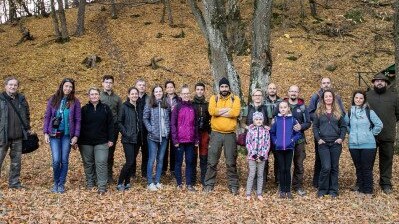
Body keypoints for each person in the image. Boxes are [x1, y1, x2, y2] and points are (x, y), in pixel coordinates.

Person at [43, 78, 81, 193]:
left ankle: (61, 183)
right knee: (56, 160)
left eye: (70, 87)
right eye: (66, 86)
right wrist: (45, 132)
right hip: (54, 134)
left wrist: (76, 136)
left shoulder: (75, 102)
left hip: (67, 135)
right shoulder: (53, 99)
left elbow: (78, 120)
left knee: (64, 160)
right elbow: (47, 116)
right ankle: (55, 182)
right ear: (62, 86)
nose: (68, 89)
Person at [204, 77, 241, 195]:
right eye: (222, 86)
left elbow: (235, 112)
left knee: (231, 161)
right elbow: (211, 111)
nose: (224, 89)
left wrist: (219, 111)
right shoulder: (214, 98)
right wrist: (227, 111)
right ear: (219, 88)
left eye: (226, 86)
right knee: (212, 161)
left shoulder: (235, 99)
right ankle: (209, 184)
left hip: (230, 135)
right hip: (216, 134)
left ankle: (233, 185)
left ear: (229, 87)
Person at [308, 77, 345, 188]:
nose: (326, 85)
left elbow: (342, 112)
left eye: (328, 83)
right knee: (320, 158)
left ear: (331, 84)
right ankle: (317, 182)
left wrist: (342, 132)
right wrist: (319, 119)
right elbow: (310, 112)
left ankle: (330, 184)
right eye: (324, 83)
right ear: (321, 84)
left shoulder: (336, 97)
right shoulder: (316, 96)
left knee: (332, 163)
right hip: (320, 133)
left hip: (334, 134)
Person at [345, 90, 383, 196]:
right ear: (353, 99)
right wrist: (351, 132)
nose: (358, 100)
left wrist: (370, 134)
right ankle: (361, 189)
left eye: (361, 98)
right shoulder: (350, 112)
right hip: (353, 145)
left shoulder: (369, 112)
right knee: (358, 167)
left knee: (366, 168)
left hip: (368, 145)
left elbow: (379, 124)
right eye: (356, 98)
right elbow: (345, 124)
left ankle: (368, 190)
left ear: (364, 100)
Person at [366, 73, 399, 194]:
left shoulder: (394, 97)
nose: (379, 82)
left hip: (387, 134)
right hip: (370, 135)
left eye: (382, 81)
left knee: (386, 160)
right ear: (373, 83)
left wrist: (389, 122)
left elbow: (397, 114)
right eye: (377, 81)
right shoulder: (367, 96)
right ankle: (364, 182)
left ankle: (385, 183)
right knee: (367, 160)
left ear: (386, 83)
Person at [79, 87, 114, 195]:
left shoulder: (105, 108)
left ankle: (102, 185)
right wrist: (77, 140)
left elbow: (111, 124)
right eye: (92, 94)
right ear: (89, 96)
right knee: (88, 163)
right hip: (85, 142)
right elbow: (78, 125)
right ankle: (90, 182)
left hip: (102, 141)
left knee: (101, 162)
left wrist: (111, 139)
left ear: (99, 95)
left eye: (96, 94)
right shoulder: (84, 109)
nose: (94, 96)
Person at [312, 89, 346, 198]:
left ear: (333, 98)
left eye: (330, 96)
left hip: (336, 143)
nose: (328, 98)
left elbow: (343, 126)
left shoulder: (338, 112)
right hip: (323, 144)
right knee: (326, 167)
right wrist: (318, 139)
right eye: (326, 96)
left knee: (334, 167)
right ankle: (322, 190)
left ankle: (333, 191)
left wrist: (341, 138)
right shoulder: (318, 112)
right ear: (323, 99)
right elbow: (315, 127)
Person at [0, 77, 31, 189]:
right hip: (3, 137)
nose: (13, 87)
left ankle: (14, 183)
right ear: (5, 86)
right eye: (10, 85)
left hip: (18, 137)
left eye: (15, 85)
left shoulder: (21, 99)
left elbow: (27, 115)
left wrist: (27, 127)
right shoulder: (1, 99)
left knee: (16, 162)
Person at [270, 101, 302, 199]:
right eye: (281, 107)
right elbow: (272, 133)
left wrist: (292, 140)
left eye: (285, 107)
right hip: (279, 148)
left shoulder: (293, 120)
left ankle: (288, 190)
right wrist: (276, 141)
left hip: (289, 148)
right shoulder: (276, 119)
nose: (283, 109)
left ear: (288, 108)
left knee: (287, 169)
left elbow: (298, 133)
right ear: (279, 109)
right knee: (281, 169)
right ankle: (282, 190)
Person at [284, 85, 311, 196]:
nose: (293, 93)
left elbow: (308, 122)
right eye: (291, 91)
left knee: (299, 164)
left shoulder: (303, 107)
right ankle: (284, 185)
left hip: (299, 140)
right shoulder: (283, 105)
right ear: (288, 92)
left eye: (295, 91)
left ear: (298, 93)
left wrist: (301, 126)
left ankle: (297, 186)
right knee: (285, 163)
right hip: (285, 139)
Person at [171, 85, 199, 191]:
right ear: (181, 95)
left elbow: (195, 125)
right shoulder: (177, 107)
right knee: (178, 162)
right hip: (179, 140)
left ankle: (189, 184)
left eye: (188, 93)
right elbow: (173, 124)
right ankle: (179, 183)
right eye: (184, 93)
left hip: (191, 140)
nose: (186, 95)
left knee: (190, 162)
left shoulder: (193, 107)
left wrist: (196, 139)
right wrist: (175, 140)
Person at [143, 85, 170, 191]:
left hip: (164, 136)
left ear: (162, 93)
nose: (158, 93)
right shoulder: (149, 104)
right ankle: (150, 182)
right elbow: (145, 118)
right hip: (153, 137)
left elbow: (167, 120)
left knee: (161, 159)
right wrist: (151, 129)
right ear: (153, 93)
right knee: (152, 159)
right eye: (156, 91)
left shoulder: (165, 104)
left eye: (160, 91)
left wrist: (168, 131)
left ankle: (157, 180)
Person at [243, 89, 269, 190]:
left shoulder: (266, 108)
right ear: (252, 96)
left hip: (263, 140)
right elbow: (242, 122)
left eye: (259, 95)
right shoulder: (248, 108)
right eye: (255, 95)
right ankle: (251, 189)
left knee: (262, 167)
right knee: (252, 169)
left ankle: (261, 188)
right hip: (252, 140)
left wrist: (268, 128)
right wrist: (249, 128)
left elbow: (270, 121)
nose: (257, 97)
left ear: (262, 97)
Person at [100, 75, 122, 183]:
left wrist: (117, 126)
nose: (108, 84)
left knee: (110, 152)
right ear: (102, 83)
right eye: (106, 82)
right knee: (100, 151)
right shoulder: (98, 96)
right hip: (100, 129)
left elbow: (120, 114)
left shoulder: (117, 98)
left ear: (113, 84)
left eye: (110, 82)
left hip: (113, 129)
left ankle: (109, 175)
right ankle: (100, 174)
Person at [116, 87, 139, 191]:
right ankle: (120, 182)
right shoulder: (124, 107)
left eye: (136, 94)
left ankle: (127, 181)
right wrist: (125, 133)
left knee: (132, 161)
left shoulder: (138, 107)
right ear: (129, 95)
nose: (134, 95)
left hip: (137, 138)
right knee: (129, 161)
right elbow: (119, 122)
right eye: (132, 94)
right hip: (128, 139)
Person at [245, 112, 270, 201]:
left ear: (262, 120)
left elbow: (267, 144)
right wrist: (255, 155)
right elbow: (248, 143)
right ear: (253, 120)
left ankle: (259, 193)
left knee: (260, 174)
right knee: (252, 174)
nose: (258, 121)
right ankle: (248, 192)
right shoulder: (250, 130)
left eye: (260, 119)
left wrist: (262, 156)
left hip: (262, 157)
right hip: (252, 157)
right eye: (256, 119)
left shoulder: (266, 131)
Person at [192, 82, 211, 186]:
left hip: (204, 133)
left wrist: (210, 132)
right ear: (195, 90)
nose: (199, 91)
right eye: (198, 89)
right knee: (193, 156)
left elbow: (211, 119)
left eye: (201, 89)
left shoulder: (207, 104)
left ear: (204, 91)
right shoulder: (191, 103)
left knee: (204, 156)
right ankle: (193, 178)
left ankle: (204, 179)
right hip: (194, 134)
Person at [264, 83, 282, 184]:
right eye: (270, 88)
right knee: (265, 157)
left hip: (277, 134)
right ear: (267, 90)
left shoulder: (282, 102)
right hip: (265, 134)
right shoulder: (263, 102)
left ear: (276, 90)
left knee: (278, 157)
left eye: (274, 88)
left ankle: (278, 180)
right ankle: (264, 180)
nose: (272, 90)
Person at [162, 80, 179, 176]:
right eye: (168, 87)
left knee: (174, 148)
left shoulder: (178, 99)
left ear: (174, 88)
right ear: (165, 89)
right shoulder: (163, 99)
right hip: (165, 126)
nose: (170, 89)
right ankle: (163, 169)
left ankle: (172, 169)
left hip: (175, 127)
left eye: (171, 87)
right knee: (164, 148)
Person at [135, 79, 149, 178]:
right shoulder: (132, 98)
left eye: (143, 85)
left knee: (146, 154)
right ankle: (132, 173)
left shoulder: (149, 99)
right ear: (136, 86)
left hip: (146, 131)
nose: (141, 87)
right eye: (140, 85)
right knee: (133, 154)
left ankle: (144, 173)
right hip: (135, 132)